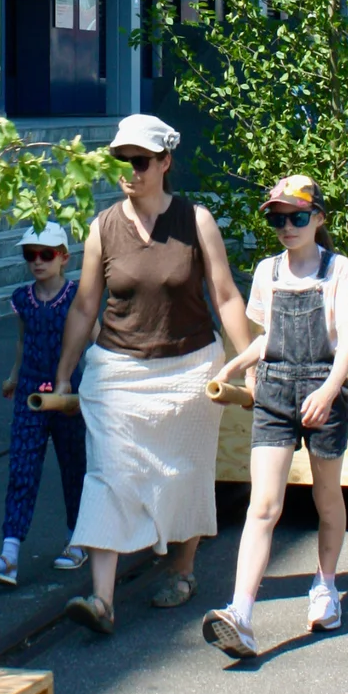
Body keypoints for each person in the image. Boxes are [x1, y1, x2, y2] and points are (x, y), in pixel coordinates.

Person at [47, 114, 252, 636]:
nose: (130, 172)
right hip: (116, 370)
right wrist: (65, 374)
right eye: (122, 161)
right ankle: (101, 599)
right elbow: (83, 307)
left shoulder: (196, 220)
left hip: (188, 368)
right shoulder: (102, 228)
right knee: (108, 476)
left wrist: (251, 363)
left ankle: (182, 570)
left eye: (140, 162)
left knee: (184, 472)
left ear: (164, 162)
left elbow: (225, 296)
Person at [201, 176, 348, 660]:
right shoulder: (267, 272)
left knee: (325, 496)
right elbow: (267, 338)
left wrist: (328, 390)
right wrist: (237, 364)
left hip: (324, 388)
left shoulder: (338, 270)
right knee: (264, 505)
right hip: (275, 391)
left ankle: (325, 585)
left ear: (319, 218)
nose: (287, 226)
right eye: (278, 218)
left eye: (298, 216)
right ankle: (241, 613)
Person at [0, 224, 90, 588]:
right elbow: (23, 342)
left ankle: (78, 539)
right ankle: (9, 555)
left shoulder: (76, 297)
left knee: (74, 467)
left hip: (69, 396)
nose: (37, 262)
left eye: (46, 254)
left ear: (63, 258)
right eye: (30, 255)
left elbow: (95, 337)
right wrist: (13, 374)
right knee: (22, 466)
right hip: (30, 395)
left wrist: (104, 380)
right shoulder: (22, 298)